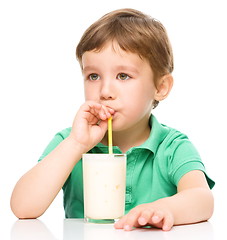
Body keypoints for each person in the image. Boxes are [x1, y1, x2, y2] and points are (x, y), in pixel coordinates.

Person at [10, 8, 215, 231]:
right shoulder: (70, 142)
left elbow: (202, 198)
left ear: (160, 87)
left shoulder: (173, 147)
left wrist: (165, 209)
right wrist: (76, 145)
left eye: (123, 76)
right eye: (93, 76)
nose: (105, 91)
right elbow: (23, 208)